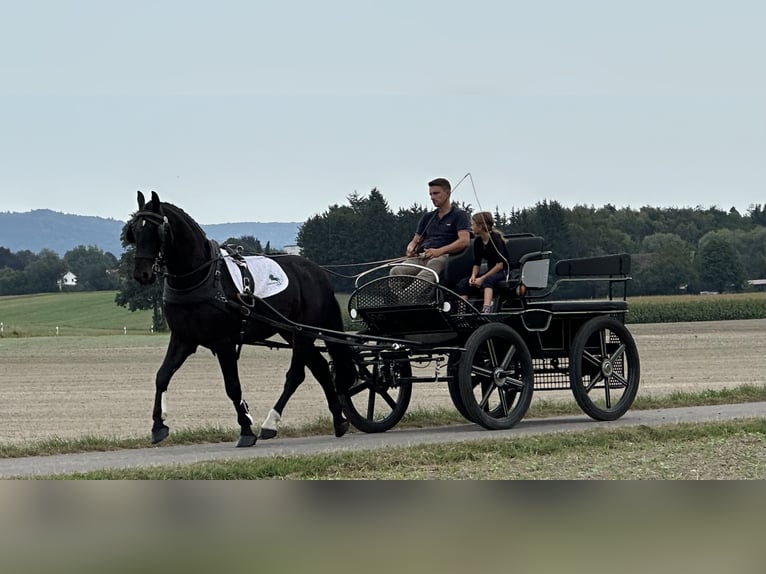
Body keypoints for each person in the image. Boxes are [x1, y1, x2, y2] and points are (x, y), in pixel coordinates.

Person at [390, 177, 471, 282]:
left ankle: (408, 297)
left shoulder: (459, 215)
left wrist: (439, 251)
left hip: (445, 256)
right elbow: (416, 240)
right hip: (423, 256)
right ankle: (401, 298)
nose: (432, 197)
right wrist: (411, 248)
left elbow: (464, 241)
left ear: (448, 193)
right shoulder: (427, 217)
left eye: (436, 193)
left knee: (425, 275)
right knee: (395, 271)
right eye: (431, 194)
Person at [455, 211, 510, 313]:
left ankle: (486, 308)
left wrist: (482, 278)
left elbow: (500, 265)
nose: (471, 227)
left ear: (480, 227)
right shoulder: (478, 242)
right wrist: (473, 276)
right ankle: (461, 312)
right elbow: (477, 263)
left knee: (488, 281)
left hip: (502, 271)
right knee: (463, 283)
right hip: (490, 270)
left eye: (473, 224)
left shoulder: (495, 240)